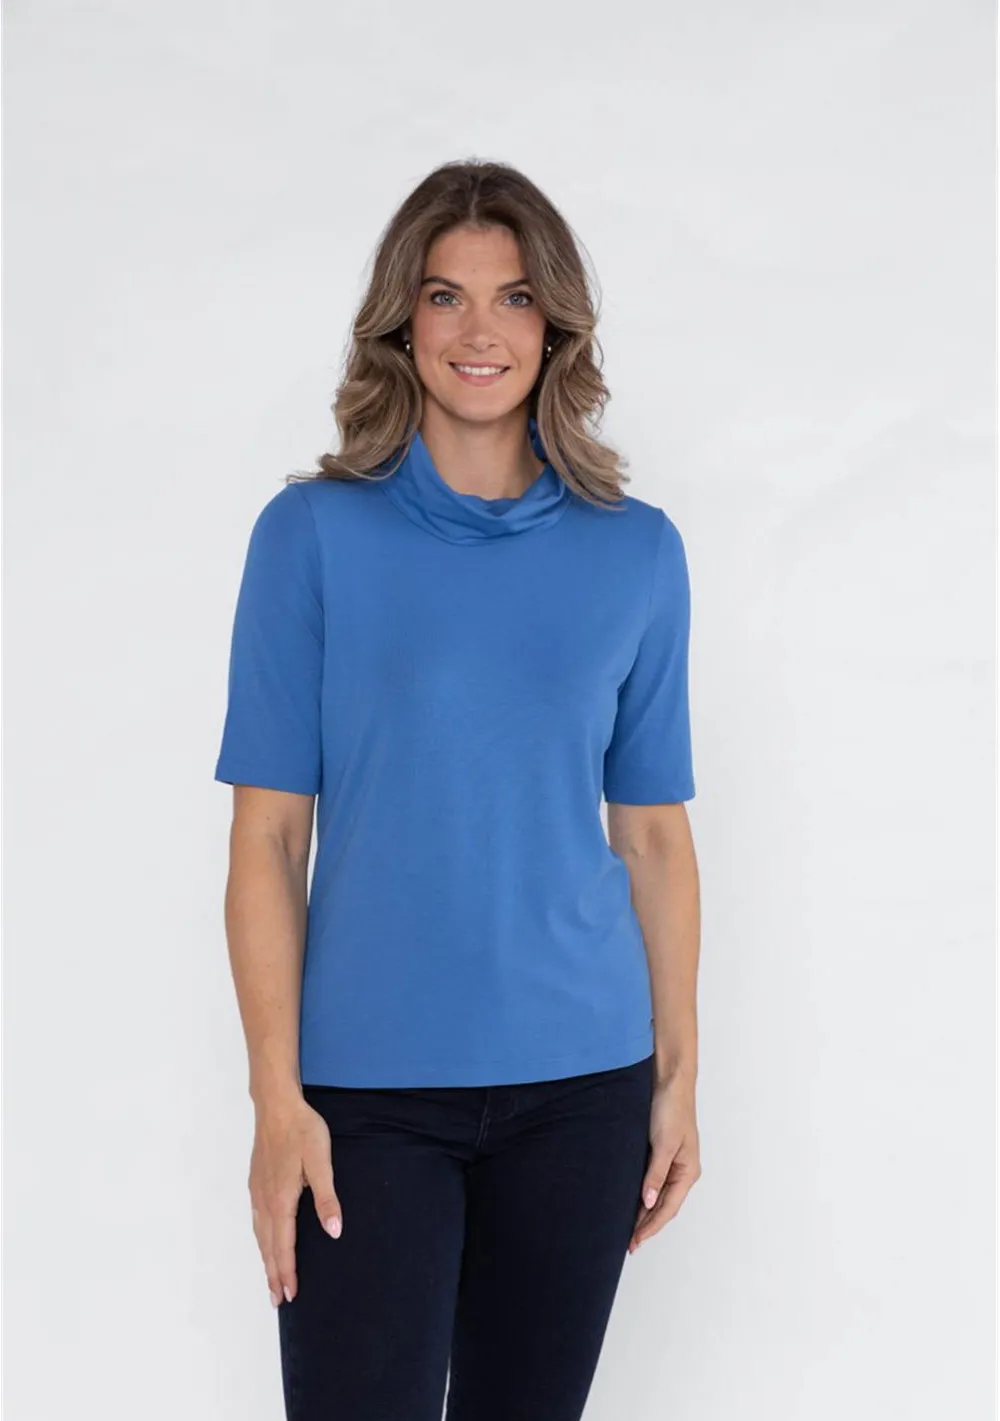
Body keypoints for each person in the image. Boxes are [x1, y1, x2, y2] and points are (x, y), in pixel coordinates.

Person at [214, 158, 702, 1421]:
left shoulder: (637, 552)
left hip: (583, 1087)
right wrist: (276, 1099)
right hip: (364, 1096)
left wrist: (678, 1076)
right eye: (445, 295)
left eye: (514, 297)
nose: (479, 330)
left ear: (556, 327)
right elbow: (267, 838)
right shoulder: (312, 536)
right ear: (403, 321)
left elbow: (653, 835)